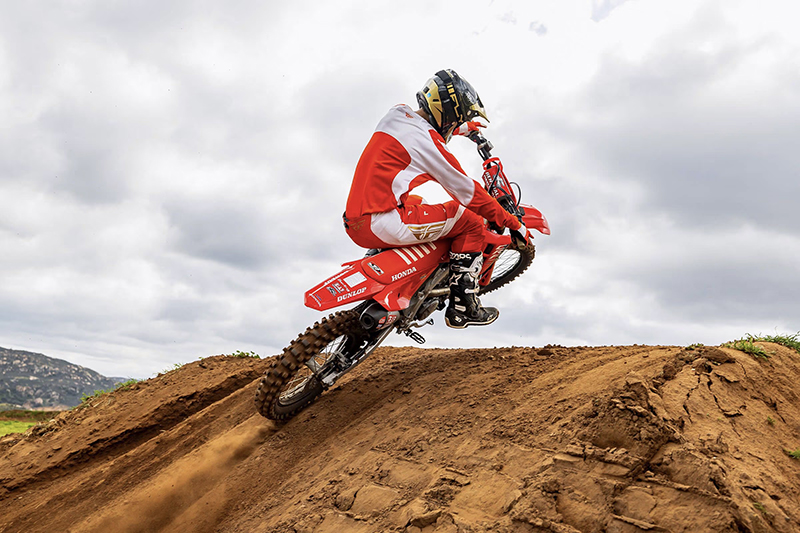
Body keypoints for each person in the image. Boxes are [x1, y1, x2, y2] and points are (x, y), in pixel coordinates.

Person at [343, 69, 527, 329]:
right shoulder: (430, 145)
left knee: (417, 199)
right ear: (448, 115)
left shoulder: (397, 113)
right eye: (456, 119)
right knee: (470, 220)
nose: (453, 126)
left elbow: (428, 126)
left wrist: (464, 129)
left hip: (356, 218)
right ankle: (463, 307)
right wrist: (512, 223)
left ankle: (388, 263)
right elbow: (468, 193)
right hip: (381, 223)